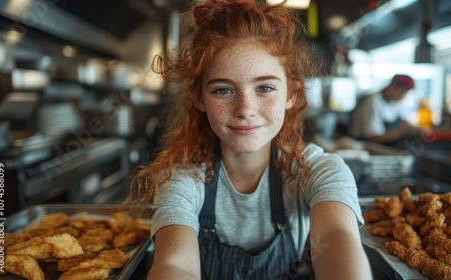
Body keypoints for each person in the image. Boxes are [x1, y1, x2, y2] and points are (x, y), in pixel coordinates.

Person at [126, 0, 372, 279]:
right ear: (199, 98)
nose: (245, 109)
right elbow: (174, 264)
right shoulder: (183, 178)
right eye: (222, 90)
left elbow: (336, 242)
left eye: (265, 88)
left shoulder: (319, 171)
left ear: (291, 94)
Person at [349, 74, 423, 145]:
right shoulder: (372, 101)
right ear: (393, 87)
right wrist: (401, 132)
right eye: (403, 92)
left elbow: (400, 120)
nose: (403, 97)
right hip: (365, 149)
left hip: (385, 146)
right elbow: (372, 138)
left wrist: (417, 129)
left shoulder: (394, 102)